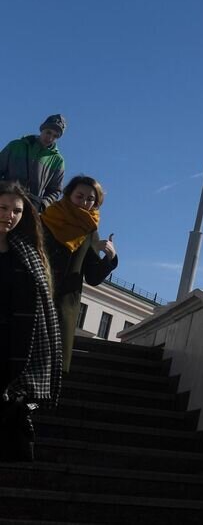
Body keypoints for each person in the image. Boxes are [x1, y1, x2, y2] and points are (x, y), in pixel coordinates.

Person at [0, 181, 62, 462]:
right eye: (2, 208)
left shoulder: (27, 256)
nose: (9, 216)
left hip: (11, 354)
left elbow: (35, 314)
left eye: (16, 211)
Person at [41, 176, 117, 371]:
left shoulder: (90, 232)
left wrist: (109, 258)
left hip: (63, 308)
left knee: (51, 372)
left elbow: (92, 277)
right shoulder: (46, 219)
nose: (84, 202)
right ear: (69, 195)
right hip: (36, 299)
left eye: (90, 199)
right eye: (79, 196)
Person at [0, 115, 67, 212]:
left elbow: (55, 190)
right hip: (5, 200)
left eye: (55, 136)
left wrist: (43, 204)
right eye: (48, 132)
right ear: (42, 129)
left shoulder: (58, 161)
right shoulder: (16, 146)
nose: (50, 138)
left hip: (31, 208)